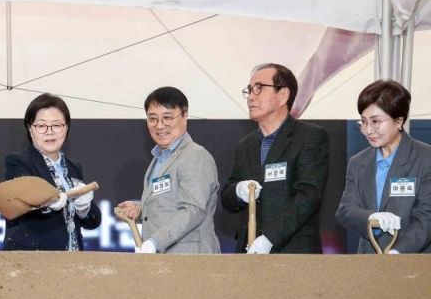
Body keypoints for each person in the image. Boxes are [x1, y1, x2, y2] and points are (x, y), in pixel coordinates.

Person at [220, 63, 329, 254]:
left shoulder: (310, 137)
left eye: (259, 88)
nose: (251, 96)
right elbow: (227, 199)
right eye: (249, 90)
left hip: (294, 254)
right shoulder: (245, 145)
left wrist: (269, 238)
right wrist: (237, 191)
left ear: (283, 95)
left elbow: (308, 196)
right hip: (249, 253)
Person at [116, 87, 220, 253]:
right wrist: (140, 209)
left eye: (167, 118)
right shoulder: (159, 159)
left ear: (185, 116)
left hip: (191, 259)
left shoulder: (195, 155)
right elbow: (168, 205)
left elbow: (193, 210)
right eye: (152, 119)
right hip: (163, 260)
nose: (159, 125)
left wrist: (155, 242)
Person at [336, 80, 431, 253]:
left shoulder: (425, 158)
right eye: (363, 122)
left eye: (376, 121)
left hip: (413, 260)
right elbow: (345, 210)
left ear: (399, 121)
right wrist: (371, 217)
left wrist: (396, 253)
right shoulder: (358, 162)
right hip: (369, 260)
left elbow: (426, 219)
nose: (368, 130)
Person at [2, 93, 100, 250]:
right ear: (30, 129)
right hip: (32, 259)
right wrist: (49, 201)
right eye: (41, 126)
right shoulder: (18, 162)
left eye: (56, 125)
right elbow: (26, 200)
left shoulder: (74, 167)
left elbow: (93, 221)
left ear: (66, 127)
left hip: (71, 259)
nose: (50, 132)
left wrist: (84, 209)